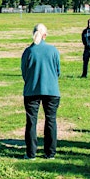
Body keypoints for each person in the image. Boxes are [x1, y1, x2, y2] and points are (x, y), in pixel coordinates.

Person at [20, 24, 61, 159]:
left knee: (31, 121)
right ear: (45, 35)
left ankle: (31, 153)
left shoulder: (28, 51)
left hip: (32, 90)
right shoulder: (53, 50)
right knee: (51, 120)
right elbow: (57, 71)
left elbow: (24, 72)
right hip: (51, 90)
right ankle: (50, 153)